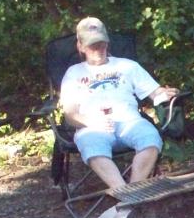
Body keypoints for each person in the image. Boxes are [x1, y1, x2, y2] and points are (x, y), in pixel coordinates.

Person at [60, 17, 178, 189]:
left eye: (101, 43)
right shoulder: (73, 73)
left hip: (130, 121)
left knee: (151, 140)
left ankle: (133, 192)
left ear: (107, 43)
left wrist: (165, 93)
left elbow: (154, 92)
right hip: (92, 127)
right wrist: (92, 122)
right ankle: (124, 193)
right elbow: (70, 115)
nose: (98, 49)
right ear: (80, 46)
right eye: (92, 45)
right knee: (92, 147)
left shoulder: (128, 66)